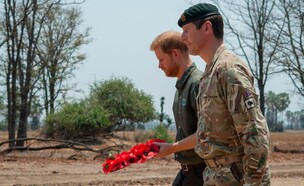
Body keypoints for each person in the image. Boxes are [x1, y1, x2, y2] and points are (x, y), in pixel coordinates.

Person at [177, 3, 271, 186]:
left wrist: (253, 183)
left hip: (236, 178)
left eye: (187, 30)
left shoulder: (228, 70)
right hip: (216, 176)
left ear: (206, 27)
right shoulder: (209, 73)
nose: (182, 37)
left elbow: (255, 133)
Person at [150, 31, 206, 186]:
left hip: (201, 173)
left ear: (175, 53)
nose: (159, 65)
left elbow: (205, 134)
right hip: (186, 172)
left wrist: (172, 148)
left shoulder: (197, 84)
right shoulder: (181, 87)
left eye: (161, 59)